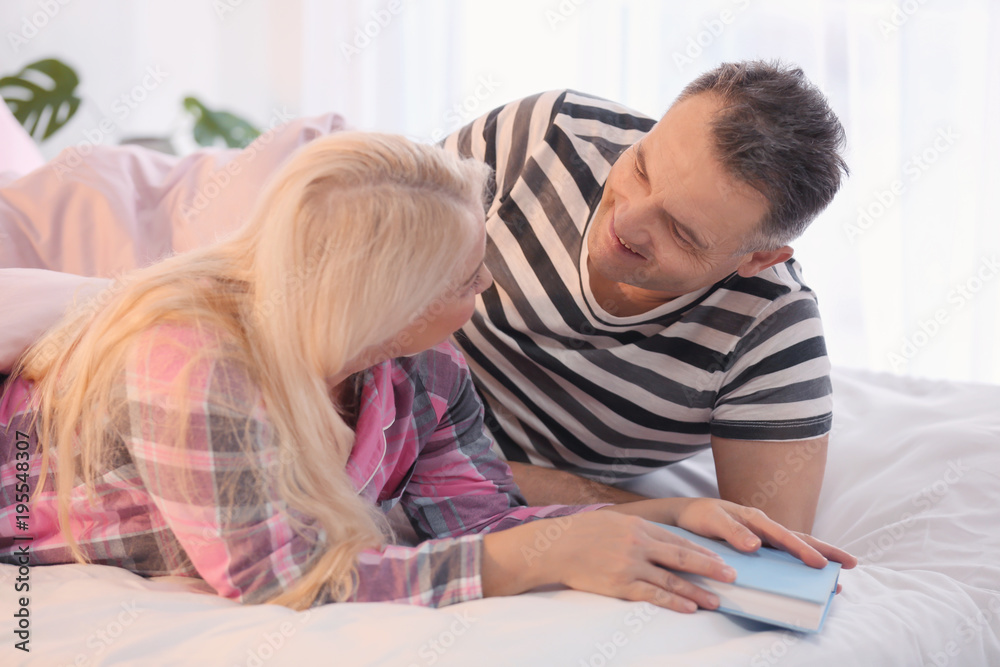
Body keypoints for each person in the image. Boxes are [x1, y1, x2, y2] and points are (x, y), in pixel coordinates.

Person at [0, 132, 856, 612]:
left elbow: (474, 511)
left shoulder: (429, 373)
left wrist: (662, 510)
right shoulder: (193, 364)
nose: (487, 292)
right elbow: (282, 577)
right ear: (380, 298)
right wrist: (525, 562)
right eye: (463, 278)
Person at [440, 60, 849, 533]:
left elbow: (770, 551)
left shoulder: (770, 333)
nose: (626, 222)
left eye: (680, 231)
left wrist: (453, 472)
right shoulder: (546, 136)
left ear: (759, 260)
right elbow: (363, 260)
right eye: (641, 166)